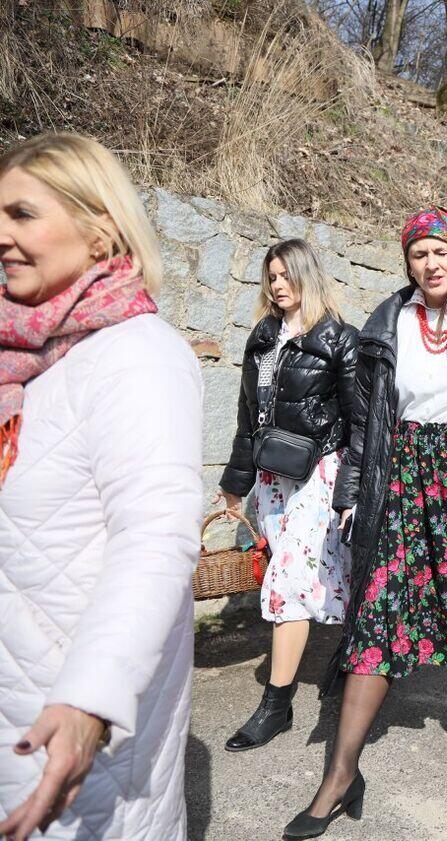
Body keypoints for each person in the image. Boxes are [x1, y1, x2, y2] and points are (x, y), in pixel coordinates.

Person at [282, 207, 447, 839]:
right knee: (375, 611)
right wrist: (351, 492)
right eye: (418, 255)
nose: (430, 264)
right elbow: (362, 420)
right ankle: (340, 775)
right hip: (400, 480)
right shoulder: (387, 322)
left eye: (440, 253)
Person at [0, 133, 202, 840]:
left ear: (100, 231)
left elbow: (156, 536)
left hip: (69, 723)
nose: (0, 235)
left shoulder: (139, 356)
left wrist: (90, 700)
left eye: (22, 214)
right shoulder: (20, 359)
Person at [217, 239, 358, 753]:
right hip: (272, 476)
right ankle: (353, 657)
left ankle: (276, 705)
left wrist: (351, 488)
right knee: (317, 574)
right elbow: (247, 416)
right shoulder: (262, 338)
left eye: (285, 275)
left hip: (319, 473)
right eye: (271, 277)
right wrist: (235, 484)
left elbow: (359, 422)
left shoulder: (339, 338)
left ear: (306, 275)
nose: (277, 285)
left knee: (290, 580)